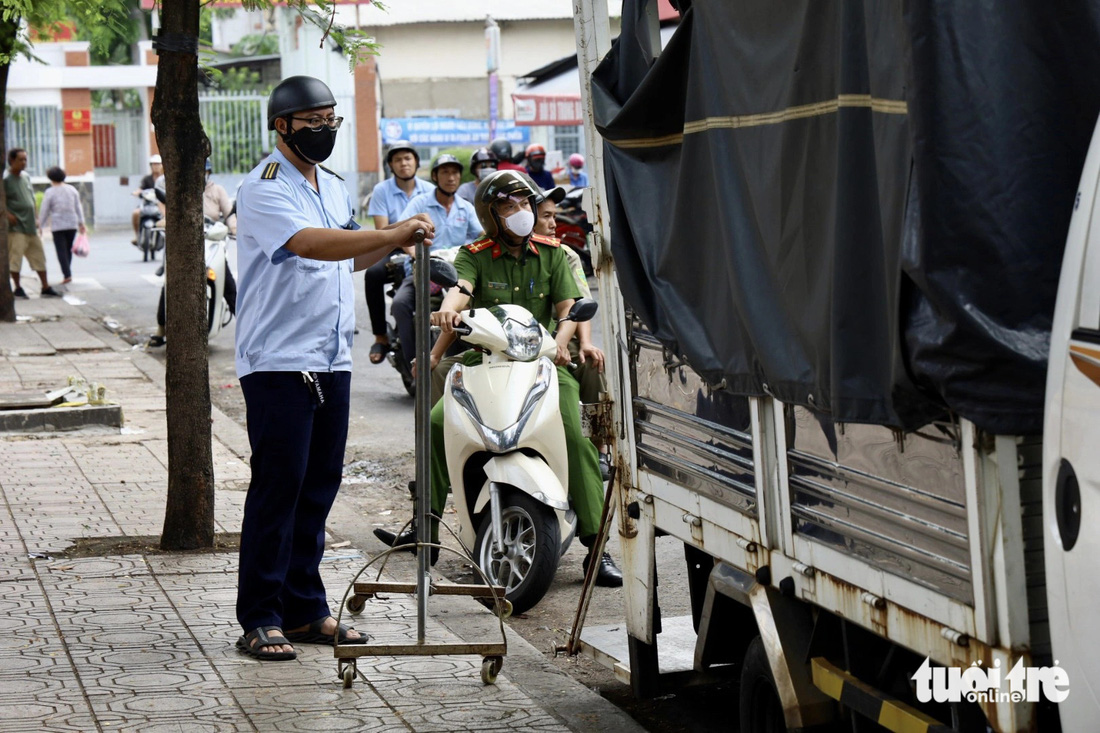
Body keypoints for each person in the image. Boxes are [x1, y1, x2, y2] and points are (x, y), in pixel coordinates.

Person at [232, 75, 436, 662]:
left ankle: (304, 609)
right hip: (277, 360)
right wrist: (390, 231)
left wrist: (396, 241)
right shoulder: (265, 187)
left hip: (329, 357)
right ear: (282, 127)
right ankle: (261, 617)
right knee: (279, 486)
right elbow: (309, 245)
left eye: (330, 121)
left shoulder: (335, 186)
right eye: (312, 122)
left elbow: (351, 251)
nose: (323, 130)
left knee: (318, 487)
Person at [375, 169, 623, 587]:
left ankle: (596, 547)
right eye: (510, 206)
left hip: (543, 364)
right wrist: (443, 326)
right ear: (492, 215)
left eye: (525, 204)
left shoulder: (554, 253)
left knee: (573, 436)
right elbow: (461, 290)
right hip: (482, 363)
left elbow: (567, 309)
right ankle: (426, 528)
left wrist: (562, 343)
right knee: (436, 425)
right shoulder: (475, 253)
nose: (521, 212)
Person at [534, 187, 612, 479]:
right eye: (546, 217)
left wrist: (586, 343)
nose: (554, 224)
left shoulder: (565, 254)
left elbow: (579, 303)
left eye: (554, 217)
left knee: (593, 363)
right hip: (526, 343)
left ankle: (600, 448)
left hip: (563, 339)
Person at [389, 153, 481, 372]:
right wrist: (416, 256)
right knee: (400, 305)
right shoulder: (421, 203)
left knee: (471, 310)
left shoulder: (466, 208)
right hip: (423, 270)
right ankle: (414, 367)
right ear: (434, 176)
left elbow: (482, 235)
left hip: (456, 275)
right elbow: (402, 234)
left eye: (455, 173)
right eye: (445, 172)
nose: (451, 178)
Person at [364, 140, 435, 364]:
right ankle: (380, 337)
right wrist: (408, 232)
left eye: (408, 158)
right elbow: (381, 231)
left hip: (424, 247)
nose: (403, 163)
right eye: (398, 160)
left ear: (416, 162)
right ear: (390, 165)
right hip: (391, 246)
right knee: (373, 274)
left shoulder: (430, 190)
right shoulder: (381, 190)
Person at [5, 148, 61, 298]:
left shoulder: (25, 177)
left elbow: (31, 199)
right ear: (11, 161)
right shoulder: (5, 179)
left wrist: (37, 219)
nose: (24, 163)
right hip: (16, 227)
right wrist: (7, 214)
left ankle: (45, 286)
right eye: (20, 160)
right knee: (15, 259)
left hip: (30, 226)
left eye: (25, 159)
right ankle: (17, 287)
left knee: (39, 257)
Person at [37, 166, 86, 286]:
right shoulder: (72, 189)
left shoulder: (50, 192)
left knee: (61, 251)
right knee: (68, 249)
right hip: (72, 224)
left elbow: (45, 210)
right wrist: (81, 223)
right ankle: (67, 272)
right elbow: (78, 207)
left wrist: (40, 225)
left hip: (58, 225)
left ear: (50, 178)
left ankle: (67, 274)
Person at [131, 154, 164, 243]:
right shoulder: (147, 179)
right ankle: (137, 236)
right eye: (154, 164)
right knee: (136, 213)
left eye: (158, 164)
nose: (156, 166)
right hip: (147, 204)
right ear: (150, 166)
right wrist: (136, 192)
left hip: (160, 205)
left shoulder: (163, 179)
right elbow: (140, 188)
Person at [203, 158, 236, 235]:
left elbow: (229, 215)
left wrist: (235, 229)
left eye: (204, 172)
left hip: (213, 237)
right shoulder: (185, 193)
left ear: (208, 172)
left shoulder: (217, 190)